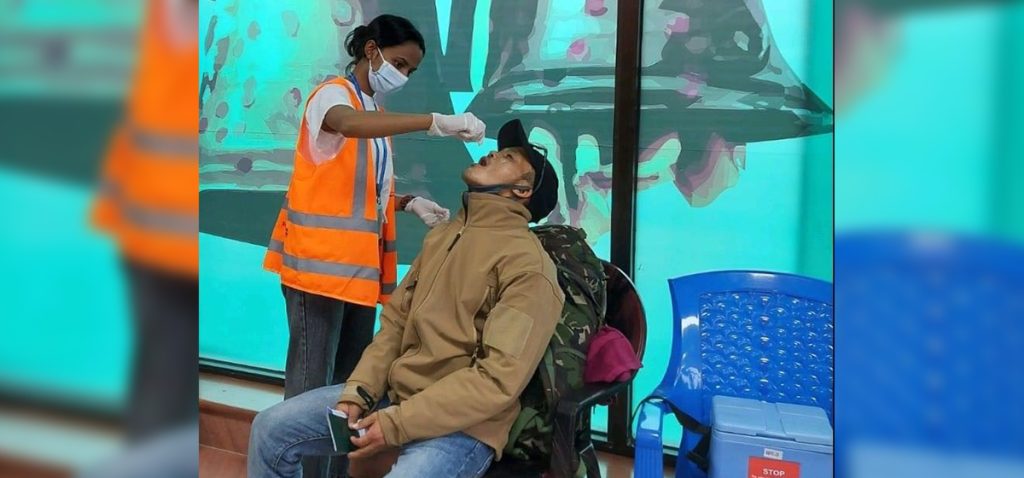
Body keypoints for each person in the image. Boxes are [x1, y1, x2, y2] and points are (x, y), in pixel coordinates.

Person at [248, 119, 563, 478]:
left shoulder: (529, 268)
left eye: (508, 157)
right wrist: (359, 392)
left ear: (522, 190)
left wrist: (397, 423)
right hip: (396, 395)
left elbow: (496, 380)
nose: (492, 154)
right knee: (269, 430)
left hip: (465, 426)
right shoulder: (444, 236)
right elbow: (395, 326)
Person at [264, 14, 486, 412]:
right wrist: (435, 122)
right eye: (399, 64)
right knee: (308, 391)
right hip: (318, 270)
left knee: (347, 388)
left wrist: (407, 202)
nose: (403, 76)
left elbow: (360, 187)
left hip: (358, 272)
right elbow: (348, 125)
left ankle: (334, 456)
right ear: (371, 50)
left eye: (410, 71)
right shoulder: (333, 96)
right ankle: (292, 455)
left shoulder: (373, 109)